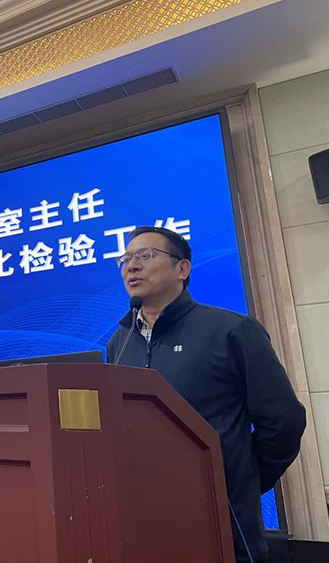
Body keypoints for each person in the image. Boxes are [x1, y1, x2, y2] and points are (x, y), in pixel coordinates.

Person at [106, 226, 306, 563]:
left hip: (223, 526)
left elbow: (283, 421)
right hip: (145, 523)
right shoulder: (120, 342)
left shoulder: (231, 330)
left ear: (182, 269)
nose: (132, 266)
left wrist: (240, 478)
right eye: (125, 260)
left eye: (145, 255)